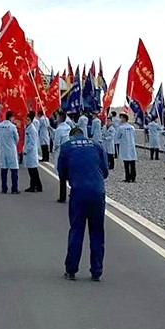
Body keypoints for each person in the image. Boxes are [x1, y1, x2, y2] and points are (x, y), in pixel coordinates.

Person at [58, 124, 108, 281]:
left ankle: (71, 270)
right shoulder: (97, 145)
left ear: (72, 136)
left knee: (76, 230)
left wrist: (74, 178)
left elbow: (61, 172)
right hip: (97, 193)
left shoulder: (67, 146)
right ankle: (96, 272)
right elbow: (105, 170)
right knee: (97, 231)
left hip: (78, 192)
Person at [53, 112, 75, 201]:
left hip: (61, 152)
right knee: (70, 175)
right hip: (69, 152)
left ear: (60, 118)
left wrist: (54, 149)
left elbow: (57, 142)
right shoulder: (67, 127)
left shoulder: (59, 129)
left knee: (62, 176)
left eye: (57, 116)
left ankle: (62, 197)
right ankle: (73, 193)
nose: (56, 118)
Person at [0, 111, 20, 194]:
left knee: (4, 170)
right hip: (11, 150)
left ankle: (4, 188)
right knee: (14, 170)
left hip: (2, 150)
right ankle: (14, 189)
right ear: (11, 117)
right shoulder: (13, 127)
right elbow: (17, 139)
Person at [23, 111, 43, 192]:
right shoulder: (28, 128)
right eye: (25, 119)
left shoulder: (32, 129)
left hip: (31, 152)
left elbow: (31, 143)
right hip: (30, 152)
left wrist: (26, 150)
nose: (26, 121)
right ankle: (38, 186)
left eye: (27, 119)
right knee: (32, 170)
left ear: (31, 120)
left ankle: (33, 186)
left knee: (32, 171)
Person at [116, 113, 137, 182]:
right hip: (131, 146)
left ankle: (128, 178)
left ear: (124, 118)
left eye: (121, 118)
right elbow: (134, 135)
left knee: (126, 163)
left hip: (125, 146)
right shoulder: (132, 127)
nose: (120, 119)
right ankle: (133, 177)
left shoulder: (121, 127)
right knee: (132, 162)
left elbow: (118, 136)